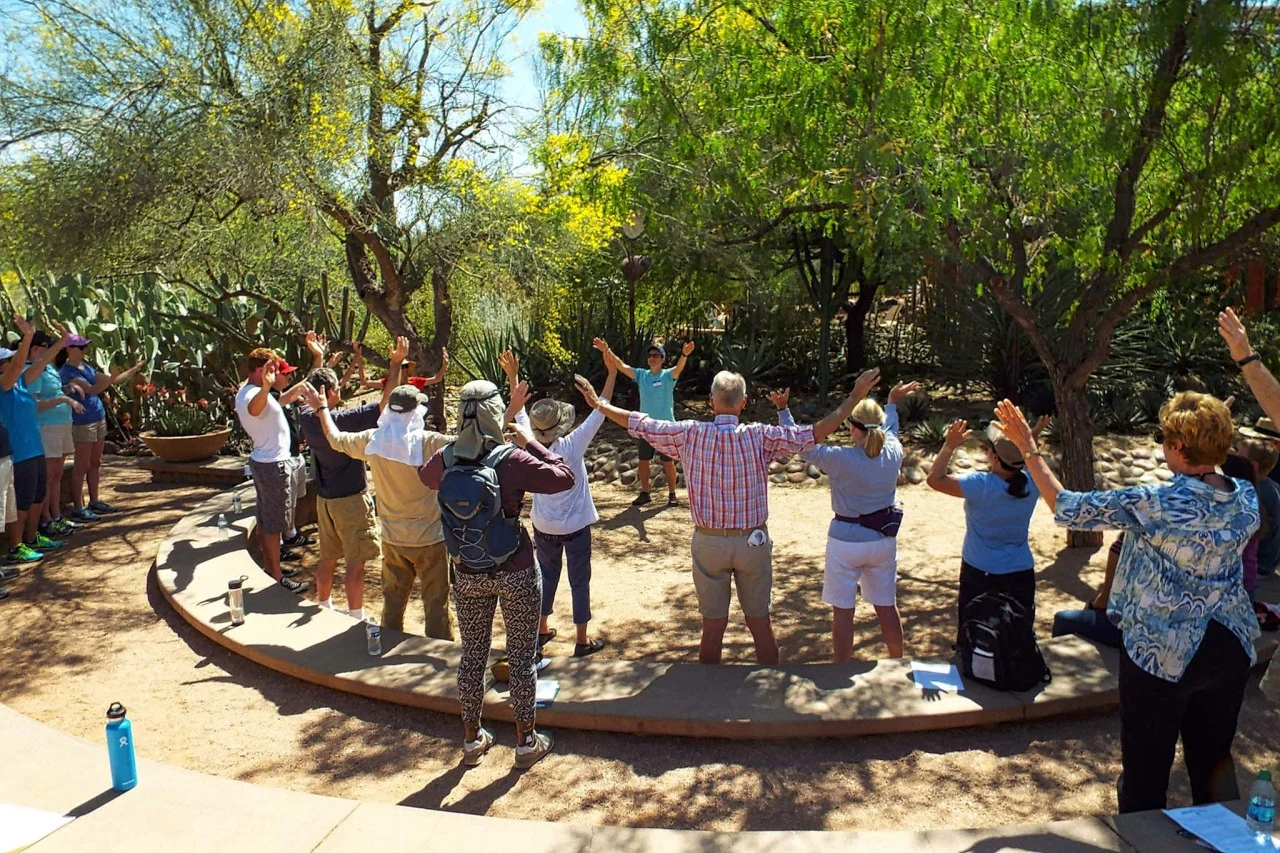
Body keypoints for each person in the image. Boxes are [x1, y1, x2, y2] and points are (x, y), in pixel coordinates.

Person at [994, 391, 1259, 813]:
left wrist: (1028, 447)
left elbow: (1068, 507)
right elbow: (1214, 477)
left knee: (1145, 775)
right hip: (1230, 644)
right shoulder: (1245, 497)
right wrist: (1211, 431)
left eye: (1163, 438)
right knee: (1213, 764)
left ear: (1176, 447)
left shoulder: (1154, 502)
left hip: (1162, 653)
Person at [581, 367, 841, 665]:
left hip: (709, 542)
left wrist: (600, 405)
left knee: (713, 627)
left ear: (711, 401)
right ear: (743, 403)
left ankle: (707, 698)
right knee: (760, 625)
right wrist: (855, 398)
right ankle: (770, 700)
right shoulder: (760, 436)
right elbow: (813, 433)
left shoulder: (690, 433)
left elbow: (642, 423)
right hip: (752, 541)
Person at [420, 379, 575, 769]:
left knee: (472, 655)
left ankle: (472, 739)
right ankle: (526, 742)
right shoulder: (511, 459)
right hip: (516, 569)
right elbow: (563, 477)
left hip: (468, 571)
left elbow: (425, 476)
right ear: (494, 412)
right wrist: (530, 442)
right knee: (521, 657)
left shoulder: (448, 456)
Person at [303, 338, 454, 637]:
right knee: (435, 602)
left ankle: (385, 644)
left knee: (393, 600)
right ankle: (440, 654)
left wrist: (321, 410)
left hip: (394, 539)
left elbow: (335, 439)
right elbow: (472, 448)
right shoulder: (428, 443)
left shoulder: (372, 440)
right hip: (429, 539)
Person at [774, 374, 919, 660]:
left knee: (843, 612)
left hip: (845, 540)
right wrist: (891, 402)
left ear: (853, 429)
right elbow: (892, 427)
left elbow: (801, 443)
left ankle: (841, 667)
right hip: (882, 540)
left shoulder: (840, 458)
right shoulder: (893, 450)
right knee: (886, 606)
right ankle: (898, 662)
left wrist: (783, 410)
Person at [500, 345, 615, 657]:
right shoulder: (573, 444)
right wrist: (612, 372)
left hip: (544, 525)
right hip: (576, 525)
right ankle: (581, 640)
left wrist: (512, 376)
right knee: (580, 580)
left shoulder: (527, 441)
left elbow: (520, 411)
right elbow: (600, 410)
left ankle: (540, 630)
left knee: (546, 577)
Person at [927, 418, 1040, 643]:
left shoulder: (980, 485)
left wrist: (949, 445)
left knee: (975, 637)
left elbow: (934, 480)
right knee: (1017, 637)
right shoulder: (1032, 483)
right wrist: (1029, 441)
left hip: (980, 573)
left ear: (995, 458)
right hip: (1021, 574)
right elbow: (1027, 463)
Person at [296, 365, 382, 620]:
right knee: (356, 561)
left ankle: (324, 605)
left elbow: (308, 398)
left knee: (328, 557)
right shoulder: (345, 421)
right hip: (351, 500)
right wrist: (396, 364)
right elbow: (385, 404)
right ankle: (356, 616)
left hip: (326, 500)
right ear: (331, 391)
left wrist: (317, 360)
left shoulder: (306, 417)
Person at [234, 348, 311, 595]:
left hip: (269, 463)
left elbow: (276, 403)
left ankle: (272, 568)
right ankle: (276, 577)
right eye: (271, 369)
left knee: (269, 520)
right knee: (272, 524)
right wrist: (267, 387)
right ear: (258, 370)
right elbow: (255, 410)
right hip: (272, 466)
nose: (275, 373)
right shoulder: (252, 394)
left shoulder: (258, 393)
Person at [0, 317, 75, 562]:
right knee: (22, 500)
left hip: (34, 447)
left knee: (36, 495)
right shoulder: (4, 384)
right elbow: (22, 361)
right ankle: (16, 546)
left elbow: (40, 362)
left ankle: (32, 538)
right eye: (8, 360)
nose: (13, 362)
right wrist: (28, 337)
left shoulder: (22, 381)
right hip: (19, 451)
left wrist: (62, 342)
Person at [57, 336, 144, 522]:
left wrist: (133, 370)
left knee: (95, 462)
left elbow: (113, 380)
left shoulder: (86, 367)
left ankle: (94, 501)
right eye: (80, 347)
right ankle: (78, 507)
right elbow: (92, 389)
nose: (83, 351)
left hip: (98, 417)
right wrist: (110, 378)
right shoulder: (67, 372)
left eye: (85, 347)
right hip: (82, 421)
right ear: (68, 349)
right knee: (82, 465)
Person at [598, 338, 694, 507]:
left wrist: (684, 354)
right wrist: (607, 349)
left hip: (665, 427)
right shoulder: (641, 375)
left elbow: (679, 368)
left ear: (663, 359)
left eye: (657, 355)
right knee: (643, 460)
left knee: (667, 462)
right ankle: (645, 493)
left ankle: (672, 495)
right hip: (645, 426)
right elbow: (621, 366)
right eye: (650, 355)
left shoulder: (667, 375)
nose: (653, 357)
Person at [27, 330, 85, 539]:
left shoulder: (49, 369)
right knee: (48, 477)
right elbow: (35, 405)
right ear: (36, 349)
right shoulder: (32, 371)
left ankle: (57, 515)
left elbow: (56, 390)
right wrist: (63, 400)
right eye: (47, 347)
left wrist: (68, 389)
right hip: (47, 428)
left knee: (57, 476)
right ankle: (46, 519)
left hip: (62, 424)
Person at [1051, 534, 1124, 649]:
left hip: (1127, 632)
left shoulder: (1121, 547)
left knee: (1062, 619)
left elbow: (1105, 600)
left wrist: (1091, 605)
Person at [1235, 430, 1280, 577]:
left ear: (1253, 465)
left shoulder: (1252, 492)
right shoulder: (1273, 486)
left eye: (1239, 456)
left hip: (1257, 566)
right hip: (1269, 561)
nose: (1234, 458)